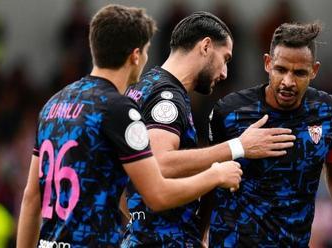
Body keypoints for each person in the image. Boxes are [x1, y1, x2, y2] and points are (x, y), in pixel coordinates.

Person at [16, 4, 243, 247]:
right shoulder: (119, 110)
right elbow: (157, 193)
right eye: (145, 51)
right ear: (136, 55)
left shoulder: (54, 104)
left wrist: (137, 221)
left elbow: (31, 197)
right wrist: (216, 173)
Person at [122, 12, 296, 247]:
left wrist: (141, 223)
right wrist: (237, 148)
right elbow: (159, 162)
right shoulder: (167, 98)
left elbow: (119, 177)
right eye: (225, 59)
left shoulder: (140, 89)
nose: (224, 73)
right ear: (205, 46)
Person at [206, 22, 332, 247]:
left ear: (314, 70)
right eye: (281, 69)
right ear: (268, 63)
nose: (288, 82)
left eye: (299, 73)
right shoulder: (229, 112)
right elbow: (208, 177)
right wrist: (199, 233)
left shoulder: (329, 113)